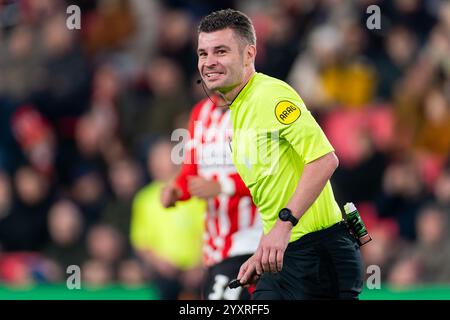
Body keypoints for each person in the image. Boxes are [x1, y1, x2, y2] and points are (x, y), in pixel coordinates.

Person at [195, 8, 364, 299]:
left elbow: (324, 160)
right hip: (287, 258)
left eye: (220, 51)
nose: (209, 62)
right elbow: (275, 192)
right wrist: (264, 247)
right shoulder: (238, 110)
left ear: (249, 54)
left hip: (320, 255)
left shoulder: (271, 96)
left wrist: (283, 226)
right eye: (203, 53)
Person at [161, 93, 262, 300]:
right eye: (203, 57)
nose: (210, 63)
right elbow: (191, 173)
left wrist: (222, 186)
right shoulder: (200, 112)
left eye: (219, 56)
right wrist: (177, 191)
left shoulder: (257, 107)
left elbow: (270, 174)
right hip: (216, 246)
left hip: (254, 241)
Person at [131, 140, 206, 299]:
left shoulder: (195, 193)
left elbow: (209, 231)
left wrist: (200, 264)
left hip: (198, 271)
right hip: (162, 273)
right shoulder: (143, 199)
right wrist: (159, 263)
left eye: (162, 157)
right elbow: (141, 242)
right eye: (154, 158)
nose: (157, 163)